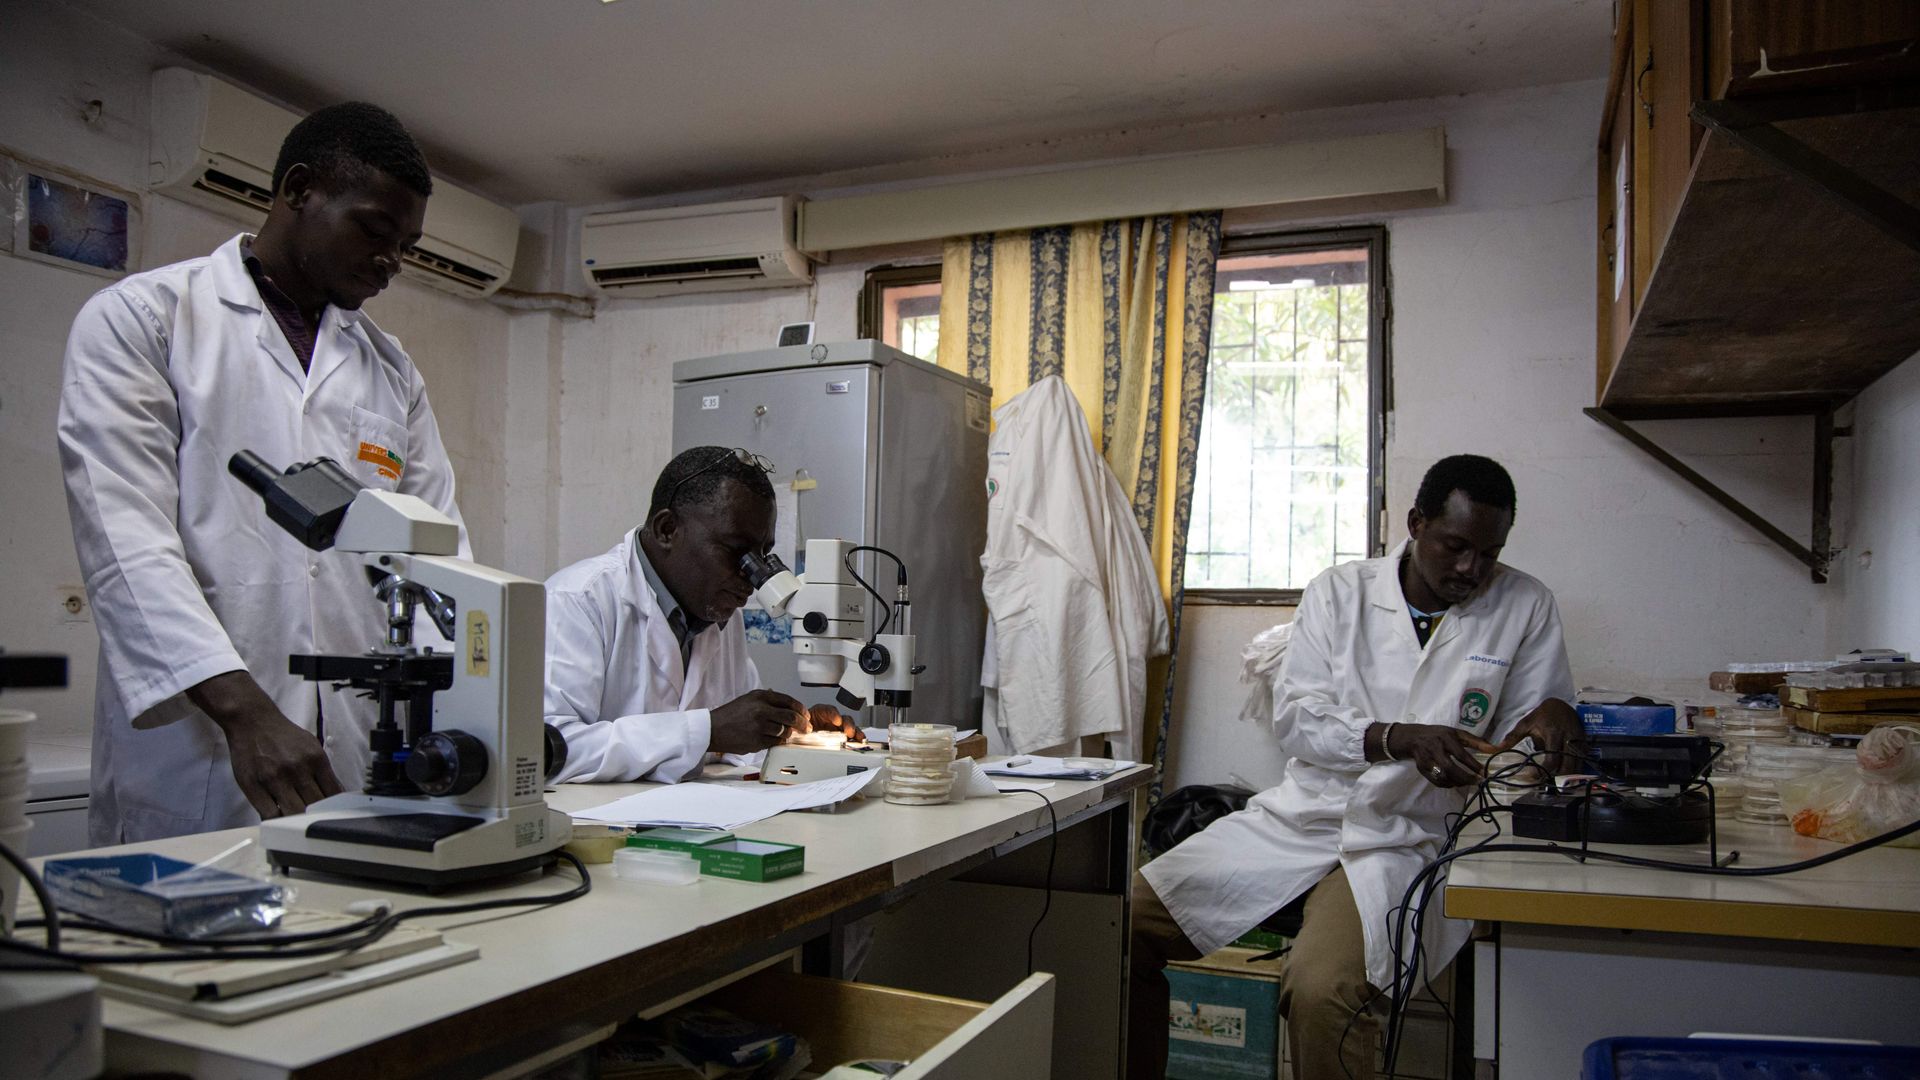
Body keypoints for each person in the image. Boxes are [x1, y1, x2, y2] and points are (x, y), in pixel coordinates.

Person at [59, 102, 466, 844]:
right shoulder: (145, 319)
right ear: (299, 190)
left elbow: (438, 555)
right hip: (206, 746)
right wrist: (245, 712)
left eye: (406, 246)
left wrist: (480, 701)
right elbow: (127, 543)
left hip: (352, 743)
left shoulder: (391, 369)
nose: (391, 263)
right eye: (376, 231)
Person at [1127, 455, 1582, 1080]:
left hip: (1408, 836)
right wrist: (1397, 738)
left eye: (1489, 552)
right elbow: (1297, 718)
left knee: (1319, 992)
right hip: (1302, 819)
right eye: (1455, 547)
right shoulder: (1339, 593)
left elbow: (1528, 746)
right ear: (1417, 523)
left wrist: (1553, 720)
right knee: (1118, 928)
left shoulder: (1524, 604)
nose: (1472, 568)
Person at [544, 446, 859, 783]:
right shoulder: (577, 601)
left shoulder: (720, 613)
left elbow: (735, 736)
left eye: (762, 554)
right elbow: (550, 747)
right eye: (736, 552)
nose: (751, 579)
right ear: (667, 529)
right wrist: (706, 731)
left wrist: (794, 732)